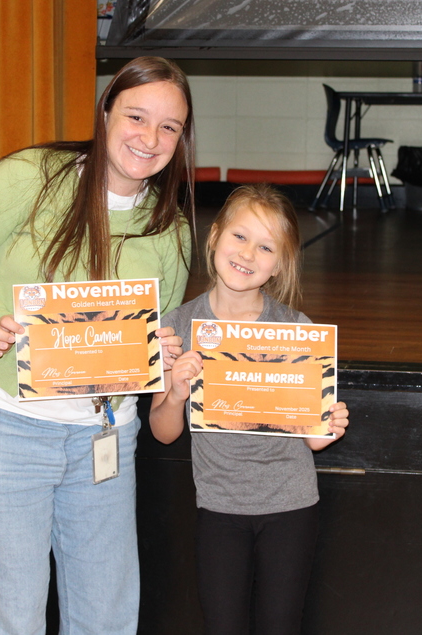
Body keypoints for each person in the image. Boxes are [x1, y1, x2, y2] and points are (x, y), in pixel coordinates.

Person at [0, 56, 196, 635]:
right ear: (106, 113)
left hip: (105, 436)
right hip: (2, 425)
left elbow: (155, 336)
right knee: (4, 619)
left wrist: (163, 353)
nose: (149, 138)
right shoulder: (33, 175)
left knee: (106, 618)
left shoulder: (171, 229)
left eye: (168, 126)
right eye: (136, 116)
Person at [150, 184, 350, 635]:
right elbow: (163, 432)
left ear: (279, 264)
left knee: (281, 625)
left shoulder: (296, 330)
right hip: (218, 509)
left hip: (291, 506)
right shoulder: (177, 327)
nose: (247, 254)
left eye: (265, 247)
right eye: (239, 236)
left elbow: (312, 440)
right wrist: (177, 392)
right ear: (214, 236)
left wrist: (329, 426)